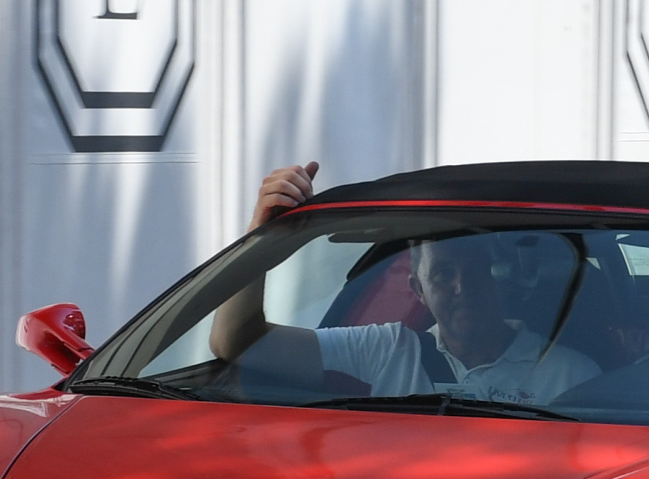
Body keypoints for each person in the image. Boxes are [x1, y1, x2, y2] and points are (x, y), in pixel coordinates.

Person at [210, 162, 600, 406]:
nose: (462, 286)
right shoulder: (385, 348)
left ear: (500, 279)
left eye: (476, 269)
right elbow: (238, 343)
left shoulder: (572, 375)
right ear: (418, 290)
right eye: (443, 274)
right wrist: (261, 235)